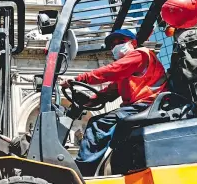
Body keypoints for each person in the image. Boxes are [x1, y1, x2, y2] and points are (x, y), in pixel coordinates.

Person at [61, 29, 168, 175]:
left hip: (148, 104)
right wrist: (89, 102)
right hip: (139, 107)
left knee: (97, 124)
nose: (115, 46)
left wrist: (80, 79)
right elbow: (107, 93)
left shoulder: (140, 54)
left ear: (133, 43)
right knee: (113, 134)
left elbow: (112, 70)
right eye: (112, 45)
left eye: (121, 42)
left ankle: (82, 172)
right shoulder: (126, 73)